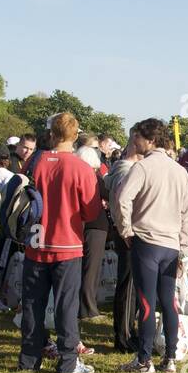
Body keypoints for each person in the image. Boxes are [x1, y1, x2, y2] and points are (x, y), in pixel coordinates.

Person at [17, 113, 102, 373]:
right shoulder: (81, 168)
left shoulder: (34, 162)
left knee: (33, 303)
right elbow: (91, 212)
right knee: (66, 305)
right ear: (75, 136)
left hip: (36, 241)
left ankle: (29, 360)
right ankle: (67, 362)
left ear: (51, 132)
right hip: (67, 244)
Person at [111, 118, 188, 373]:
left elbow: (122, 199)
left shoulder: (142, 168)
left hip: (146, 241)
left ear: (150, 140)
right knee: (168, 302)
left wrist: (125, 230)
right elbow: (187, 212)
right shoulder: (179, 171)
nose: (134, 142)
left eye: (138, 138)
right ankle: (170, 357)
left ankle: (144, 360)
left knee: (146, 302)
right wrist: (183, 245)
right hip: (171, 244)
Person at [106, 136, 143, 353]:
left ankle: (128, 333)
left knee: (132, 285)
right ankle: (124, 337)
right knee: (128, 286)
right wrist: (126, 230)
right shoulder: (125, 170)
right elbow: (122, 203)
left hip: (128, 231)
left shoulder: (125, 168)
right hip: (128, 233)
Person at [74, 138, 110, 323]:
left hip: (78, 225)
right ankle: (88, 308)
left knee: (82, 267)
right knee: (92, 268)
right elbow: (110, 193)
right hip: (96, 225)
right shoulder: (95, 179)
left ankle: (83, 305)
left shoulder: (74, 178)